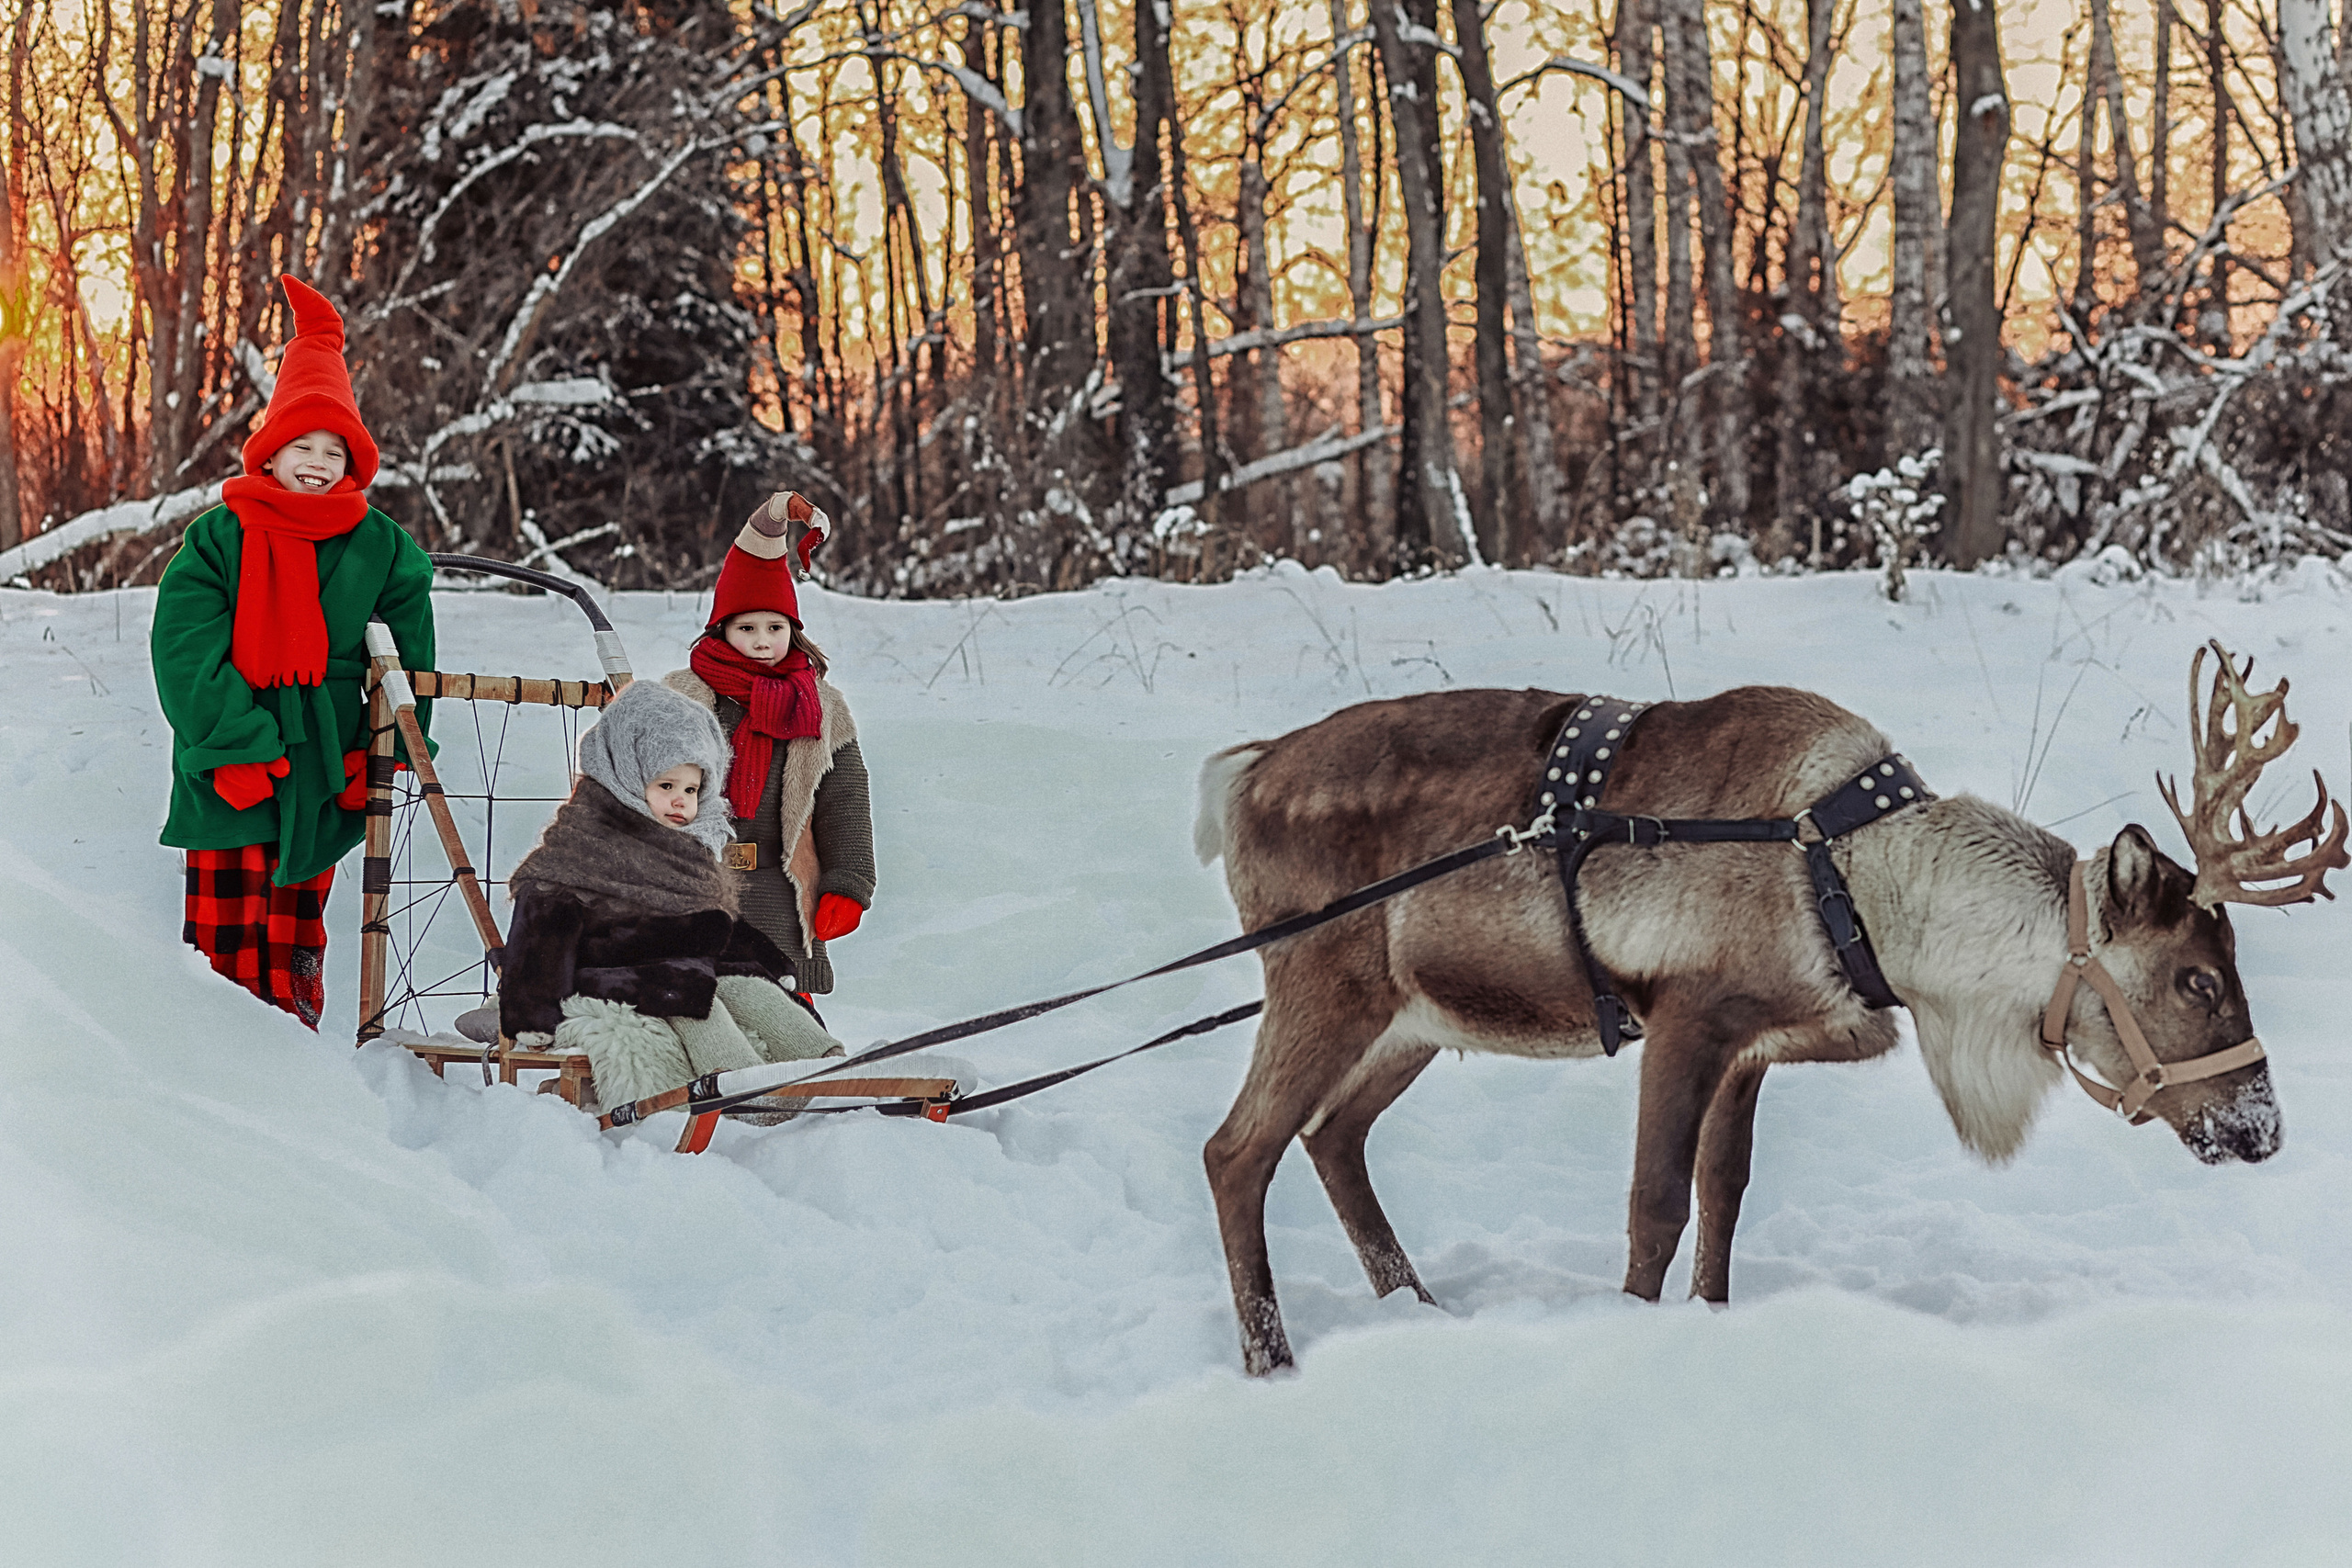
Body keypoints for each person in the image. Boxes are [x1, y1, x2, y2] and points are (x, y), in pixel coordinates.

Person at [151, 276, 435, 1029]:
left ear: (353, 460)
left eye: (332, 449)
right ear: (269, 454)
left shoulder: (384, 549)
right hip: (230, 767)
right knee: (224, 941)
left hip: (322, 767)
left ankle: (296, 1073)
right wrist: (230, 742)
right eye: (300, 445)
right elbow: (184, 647)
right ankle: (204, 1064)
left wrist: (378, 752)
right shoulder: (220, 538)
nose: (316, 461)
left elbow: (411, 662)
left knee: (297, 931)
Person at [497, 679, 842, 1111]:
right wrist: (531, 1017)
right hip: (608, 973)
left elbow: (714, 923)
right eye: (666, 787)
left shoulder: (684, 851)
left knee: (756, 991)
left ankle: (828, 1063)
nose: (681, 802)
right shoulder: (580, 848)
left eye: (692, 790)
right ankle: (748, 1094)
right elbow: (539, 934)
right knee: (694, 1001)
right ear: (625, 777)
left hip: (684, 963)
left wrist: (771, 964)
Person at [662, 491, 875, 1015]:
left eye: (775, 628)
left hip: (780, 883)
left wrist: (849, 882)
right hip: (699, 880)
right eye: (748, 628)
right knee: (699, 994)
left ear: (793, 632)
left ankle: (791, 1077)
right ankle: (711, 1081)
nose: (763, 641)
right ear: (722, 631)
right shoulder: (687, 699)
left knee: (781, 995)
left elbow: (845, 797)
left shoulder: (821, 709)